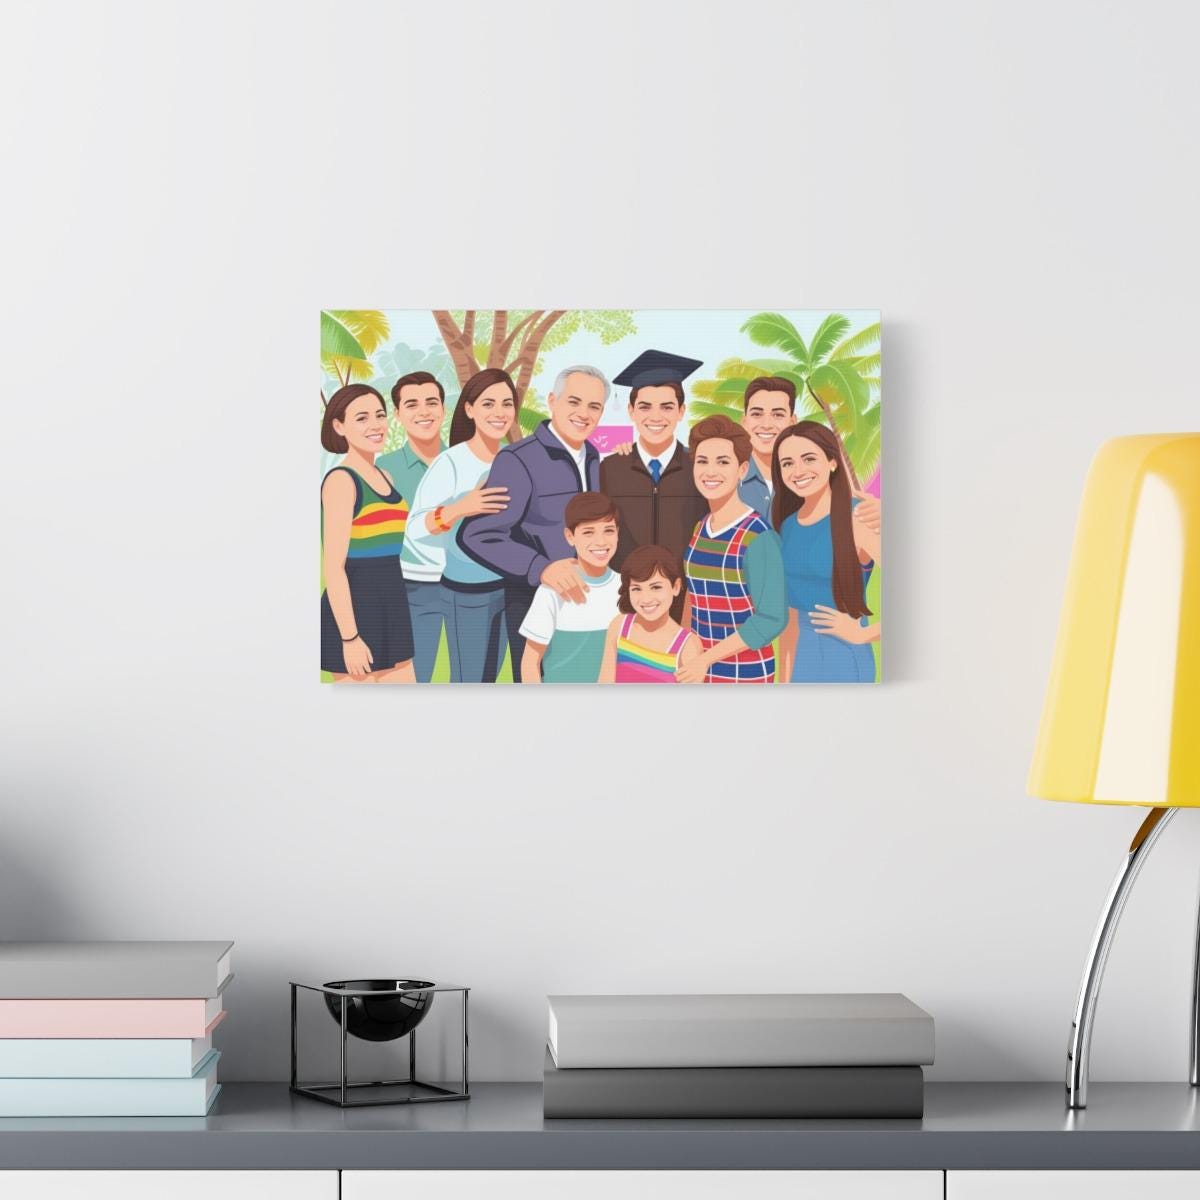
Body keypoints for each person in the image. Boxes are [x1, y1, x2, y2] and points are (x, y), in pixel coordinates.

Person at [459, 365, 608, 681]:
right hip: (534, 605)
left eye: (594, 406)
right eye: (574, 402)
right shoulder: (518, 460)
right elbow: (478, 534)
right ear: (552, 401)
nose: (584, 414)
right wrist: (541, 568)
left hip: (587, 605)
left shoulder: (594, 458)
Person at [405, 369, 516, 682]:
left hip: (510, 587)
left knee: (491, 678)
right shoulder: (451, 462)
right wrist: (459, 509)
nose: (499, 413)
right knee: (469, 681)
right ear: (469, 409)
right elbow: (414, 529)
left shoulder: (515, 459)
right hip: (468, 592)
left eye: (507, 404)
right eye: (488, 404)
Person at [599, 349, 708, 619]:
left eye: (667, 407)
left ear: (681, 411)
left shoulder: (699, 467)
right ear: (631, 411)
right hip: (627, 598)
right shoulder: (611, 469)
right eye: (645, 407)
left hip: (688, 599)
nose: (656, 417)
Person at [679, 414, 787, 684]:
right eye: (702, 461)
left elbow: (771, 618)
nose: (710, 472)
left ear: (742, 469)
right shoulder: (700, 528)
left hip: (746, 671)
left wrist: (706, 658)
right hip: (697, 669)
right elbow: (694, 596)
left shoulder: (759, 537)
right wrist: (683, 647)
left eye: (722, 462)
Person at [772, 421, 881, 683]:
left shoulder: (858, 517)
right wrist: (785, 680)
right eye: (787, 463)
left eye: (809, 459)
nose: (798, 471)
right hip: (800, 658)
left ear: (832, 462)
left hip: (845, 658)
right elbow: (791, 616)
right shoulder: (788, 525)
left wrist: (862, 634)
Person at [319, 384, 415, 683]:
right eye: (362, 418)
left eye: (379, 415)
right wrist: (350, 637)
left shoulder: (386, 476)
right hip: (354, 610)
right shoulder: (341, 481)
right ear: (339, 426)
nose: (375, 425)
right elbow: (334, 568)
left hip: (392, 604)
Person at [377, 371, 448, 683]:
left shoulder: (463, 462)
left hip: (468, 585)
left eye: (432, 402)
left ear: (443, 408)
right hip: (410, 587)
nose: (424, 411)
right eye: (412, 404)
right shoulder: (382, 469)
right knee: (414, 677)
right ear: (397, 414)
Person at [518, 492, 622, 684]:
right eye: (588, 532)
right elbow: (530, 663)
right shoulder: (551, 592)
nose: (601, 541)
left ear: (618, 533)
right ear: (570, 536)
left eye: (608, 530)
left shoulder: (628, 589)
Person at [600, 544, 703, 684]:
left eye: (656, 587)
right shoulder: (619, 626)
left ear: (676, 587)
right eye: (637, 589)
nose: (646, 599)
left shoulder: (688, 646)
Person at [738, 377, 796, 521]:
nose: (766, 425)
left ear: (792, 422)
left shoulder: (808, 479)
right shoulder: (727, 478)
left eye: (778, 415)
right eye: (757, 414)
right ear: (744, 422)